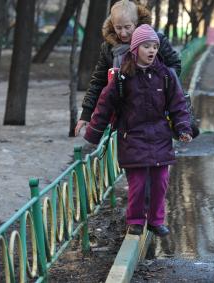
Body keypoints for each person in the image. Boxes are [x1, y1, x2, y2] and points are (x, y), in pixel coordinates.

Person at [83, 24, 193, 237]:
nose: (151, 51)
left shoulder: (166, 76)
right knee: (138, 184)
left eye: (154, 46)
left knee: (160, 182)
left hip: (160, 137)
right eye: (146, 47)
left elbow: (178, 105)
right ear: (135, 50)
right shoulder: (122, 78)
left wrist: (183, 129)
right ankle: (134, 221)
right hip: (132, 137)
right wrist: (93, 134)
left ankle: (155, 221)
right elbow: (104, 105)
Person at [75, 0, 181, 136]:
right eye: (118, 28)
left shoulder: (154, 40)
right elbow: (98, 82)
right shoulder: (108, 48)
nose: (123, 33)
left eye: (127, 27)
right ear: (112, 26)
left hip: (155, 110)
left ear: (136, 23)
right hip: (123, 117)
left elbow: (175, 65)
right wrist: (86, 114)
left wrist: (159, 85)